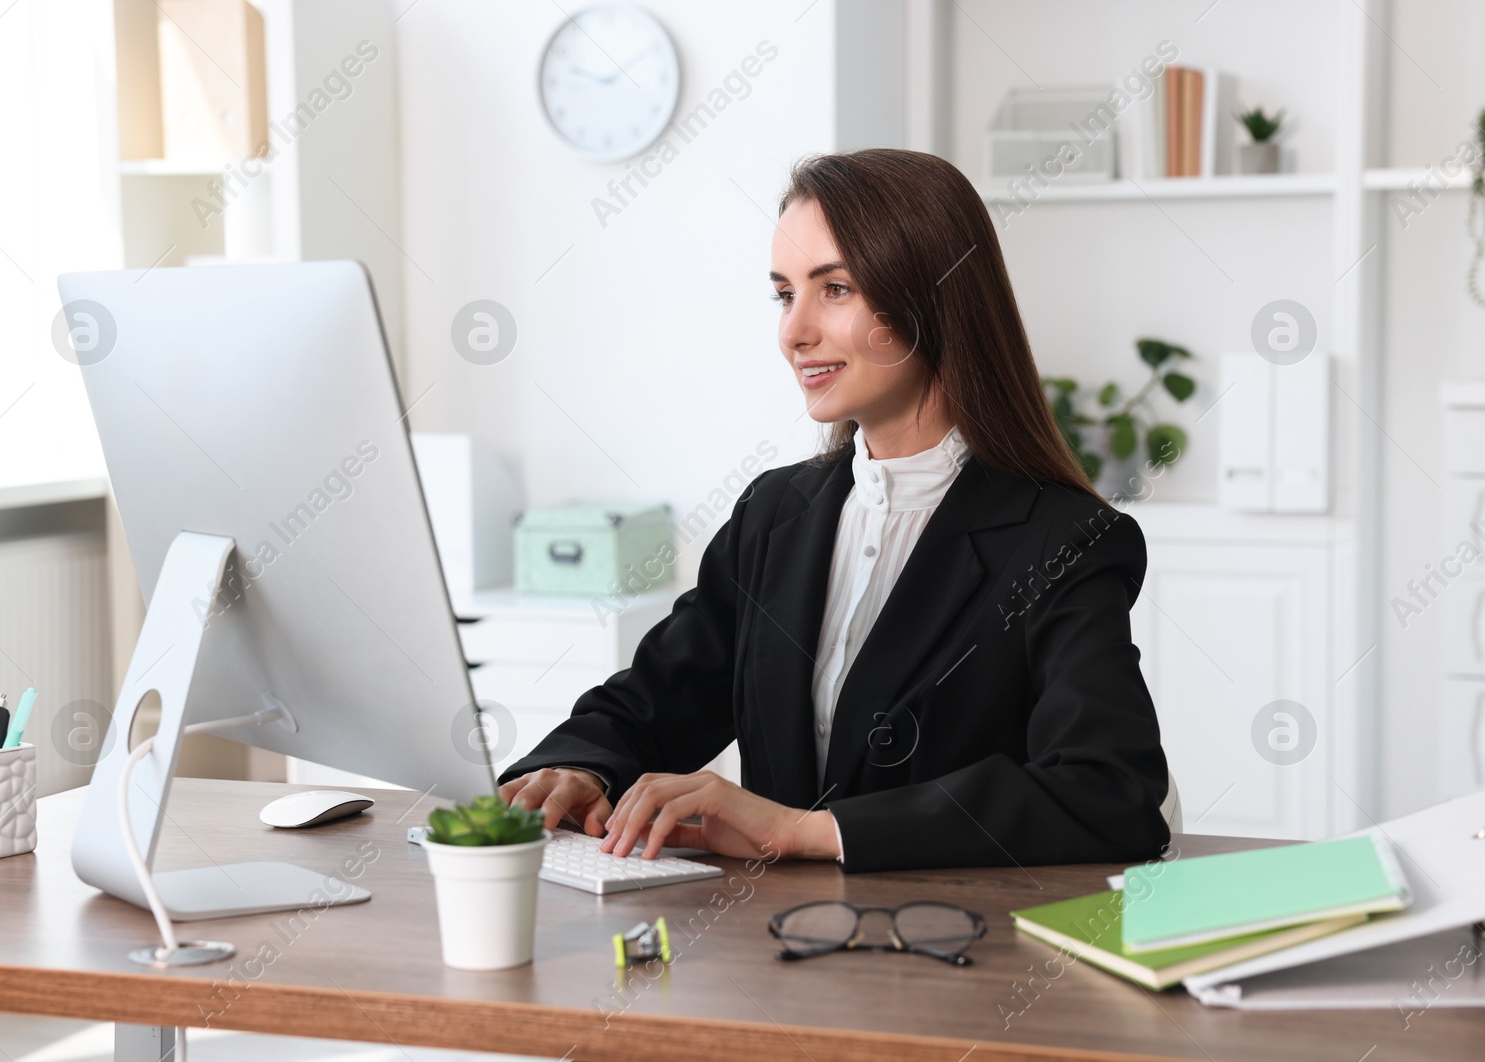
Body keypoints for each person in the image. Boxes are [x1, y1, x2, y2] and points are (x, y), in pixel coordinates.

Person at [498, 148, 1171, 873]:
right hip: (779, 953)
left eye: (837, 288)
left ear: (934, 296)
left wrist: (804, 830)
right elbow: (653, 702)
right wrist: (580, 768)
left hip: (956, 957)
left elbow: (1108, 792)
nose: (794, 331)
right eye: (785, 294)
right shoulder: (774, 513)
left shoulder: (1061, 540)